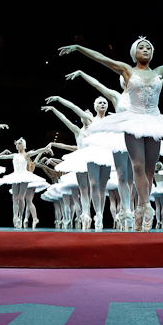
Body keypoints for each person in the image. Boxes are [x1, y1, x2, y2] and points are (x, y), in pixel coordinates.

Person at [59, 37, 163, 231]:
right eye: (141, 47)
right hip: (134, 121)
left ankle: (140, 206)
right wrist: (79, 47)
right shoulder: (127, 70)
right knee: (137, 166)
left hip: (154, 121)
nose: (145, 49)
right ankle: (146, 207)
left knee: (149, 170)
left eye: (148, 47)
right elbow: (102, 59)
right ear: (134, 53)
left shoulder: (158, 72)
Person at [65, 69, 163, 230]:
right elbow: (97, 84)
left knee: (135, 176)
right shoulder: (116, 95)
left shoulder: (140, 96)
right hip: (120, 139)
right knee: (122, 176)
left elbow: (155, 84)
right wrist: (82, 74)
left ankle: (137, 209)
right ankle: (125, 210)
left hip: (138, 136)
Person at [44, 95, 114, 230]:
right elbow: (71, 110)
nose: (103, 104)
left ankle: (99, 213)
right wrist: (57, 103)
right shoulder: (82, 127)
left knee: (101, 187)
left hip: (104, 154)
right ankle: (88, 214)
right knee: (87, 188)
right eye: (100, 102)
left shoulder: (109, 121)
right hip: (86, 157)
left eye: (105, 102)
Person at [0, 138, 52, 228]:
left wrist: (45, 149)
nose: (17, 145)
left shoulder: (26, 155)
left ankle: (21, 216)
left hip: (24, 175)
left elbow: (36, 151)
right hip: (15, 175)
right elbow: (4, 157)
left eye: (19, 143)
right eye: (17, 144)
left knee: (21, 198)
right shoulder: (14, 155)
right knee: (14, 197)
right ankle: (15, 217)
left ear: (23, 145)